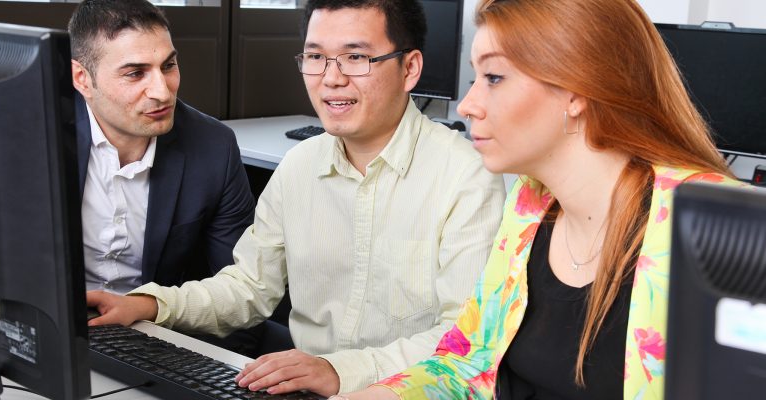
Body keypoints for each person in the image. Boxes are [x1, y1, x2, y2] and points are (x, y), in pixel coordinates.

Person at [86, 0, 507, 396]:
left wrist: (341, 371)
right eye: (316, 56)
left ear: (409, 68)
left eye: (356, 57)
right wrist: (149, 304)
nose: (331, 77)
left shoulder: (466, 175)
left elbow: (464, 339)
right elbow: (248, 288)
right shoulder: (299, 166)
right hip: (304, 392)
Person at [336, 0, 747, 399]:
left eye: (493, 77)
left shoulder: (713, 227)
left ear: (575, 89)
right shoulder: (530, 205)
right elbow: (467, 365)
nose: (467, 105)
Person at [68, 0, 255, 293]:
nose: (162, 91)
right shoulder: (34, 134)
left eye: (168, 66)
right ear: (82, 79)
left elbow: (241, 289)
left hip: (156, 324)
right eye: (135, 73)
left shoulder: (214, 147)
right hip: (53, 324)